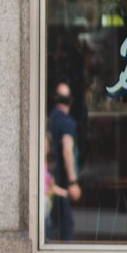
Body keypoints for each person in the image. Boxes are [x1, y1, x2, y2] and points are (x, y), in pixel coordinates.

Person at [46, 82, 81, 242]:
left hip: (50, 180)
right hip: (61, 180)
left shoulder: (50, 118)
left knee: (51, 223)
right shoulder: (66, 122)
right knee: (66, 226)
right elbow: (67, 150)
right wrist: (73, 181)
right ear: (70, 101)